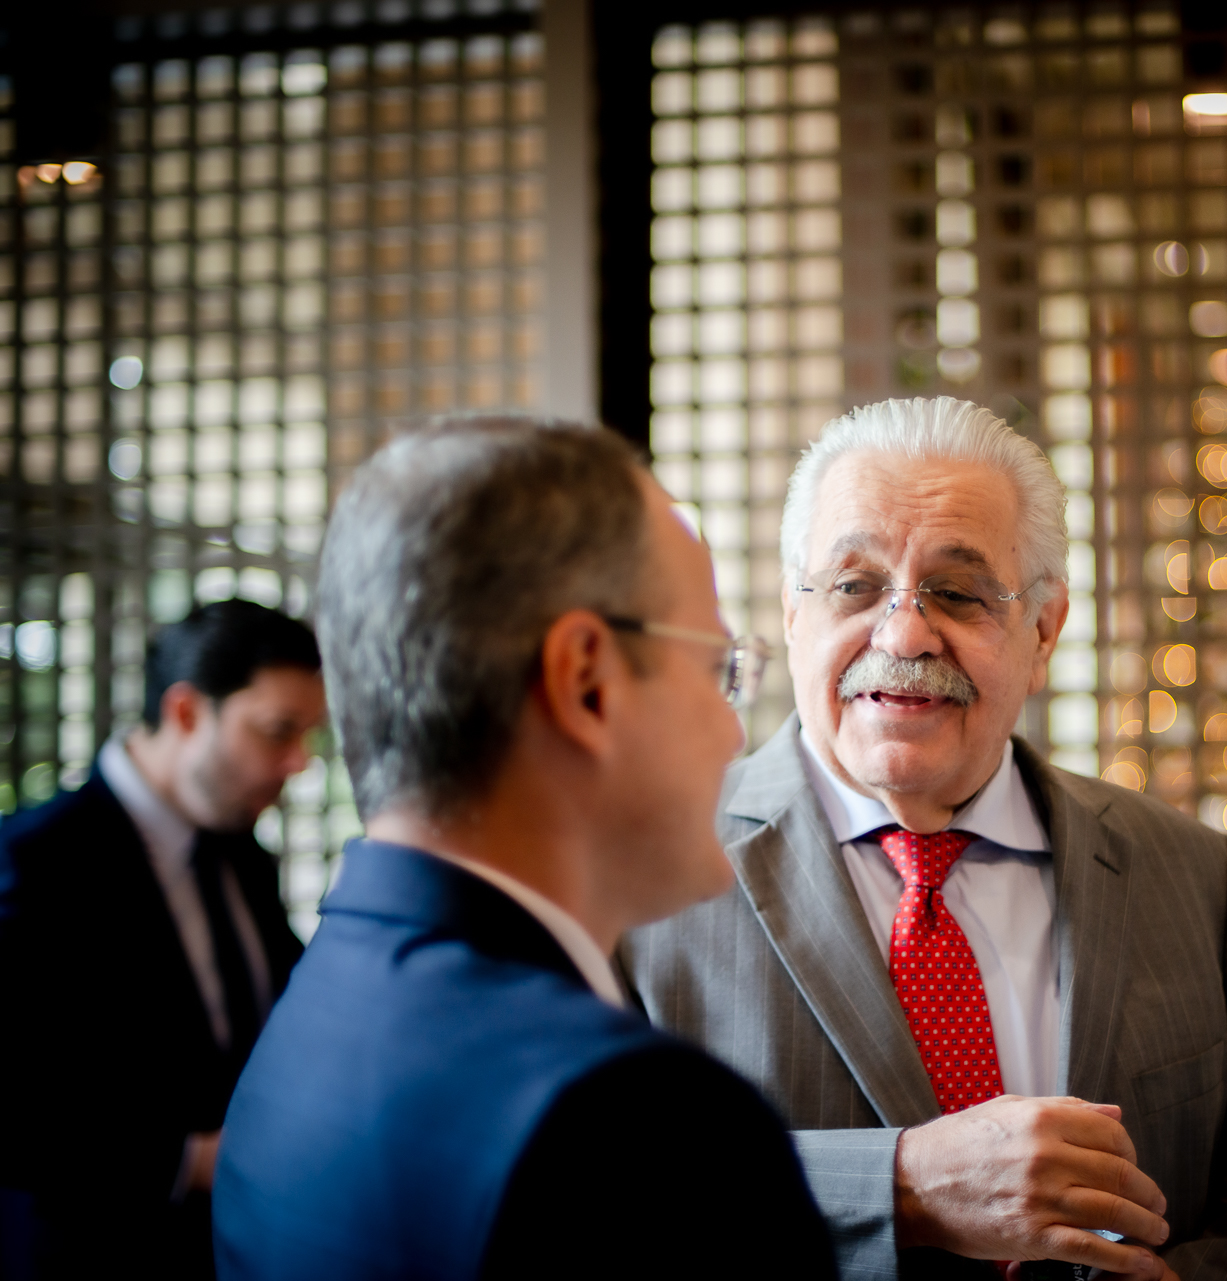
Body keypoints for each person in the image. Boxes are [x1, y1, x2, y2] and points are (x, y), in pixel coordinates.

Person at [630, 397, 1227, 1281]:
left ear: (1043, 631)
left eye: (958, 592)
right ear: (792, 613)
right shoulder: (635, 874)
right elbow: (581, 1199)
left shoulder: (1192, 872)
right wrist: (899, 1186)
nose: (902, 633)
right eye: (855, 586)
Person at [211, 418, 835, 1280]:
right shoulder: (639, 1125)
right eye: (717, 666)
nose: (736, 732)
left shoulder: (310, 1006)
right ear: (586, 680)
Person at [0, 600, 324, 1279]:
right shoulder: (32, 863)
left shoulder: (242, 849)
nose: (299, 763)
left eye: (308, 736)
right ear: (185, 712)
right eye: (278, 731)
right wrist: (189, 1160)